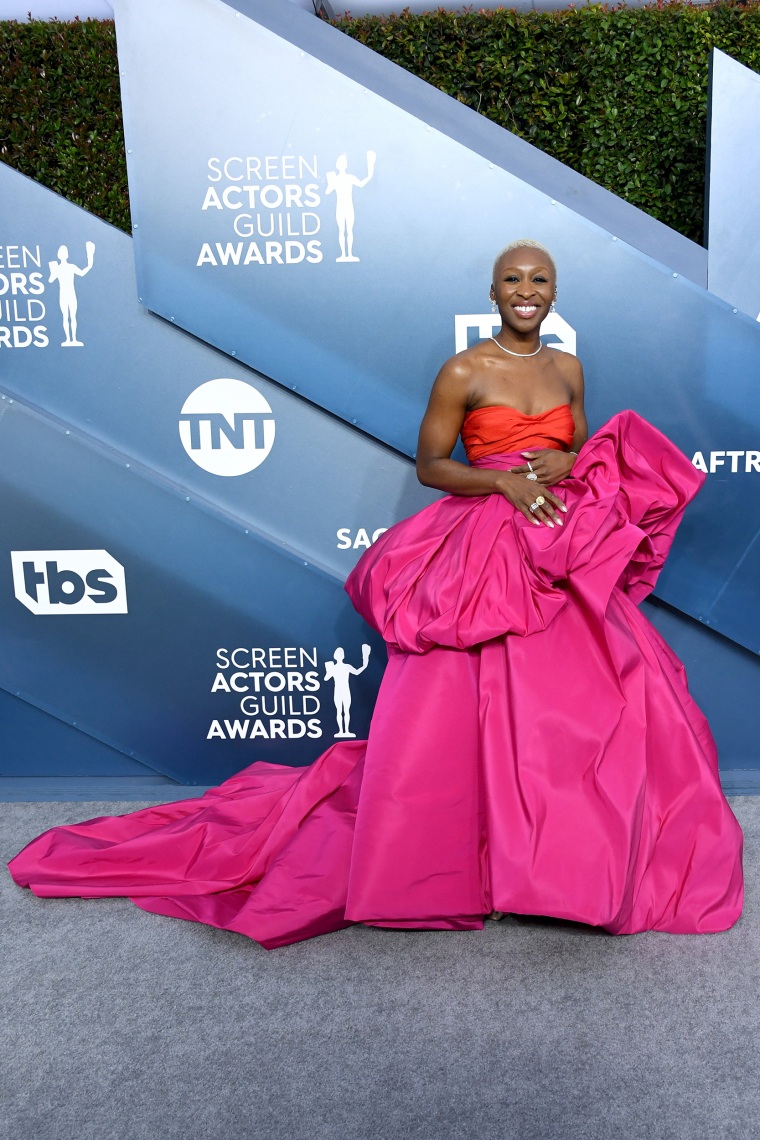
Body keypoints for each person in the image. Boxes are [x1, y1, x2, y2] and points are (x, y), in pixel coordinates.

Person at [9, 240, 743, 949]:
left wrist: (564, 457)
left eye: (539, 281)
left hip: (554, 548)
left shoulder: (570, 368)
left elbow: (580, 446)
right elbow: (431, 465)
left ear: (555, 295)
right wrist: (503, 480)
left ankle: (564, 867)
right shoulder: (463, 370)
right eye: (513, 280)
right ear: (493, 293)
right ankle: (475, 863)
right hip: (484, 544)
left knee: (578, 714)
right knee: (471, 712)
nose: (526, 291)